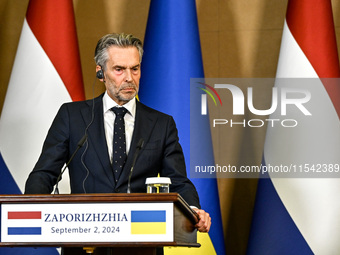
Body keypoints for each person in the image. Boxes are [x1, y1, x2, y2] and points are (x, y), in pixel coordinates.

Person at [25, 33, 211, 237]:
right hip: (85, 235)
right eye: (119, 69)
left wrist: (192, 209)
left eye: (135, 68)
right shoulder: (72, 116)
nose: (129, 78)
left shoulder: (161, 124)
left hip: (143, 236)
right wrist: (31, 208)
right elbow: (45, 173)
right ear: (101, 73)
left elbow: (177, 180)